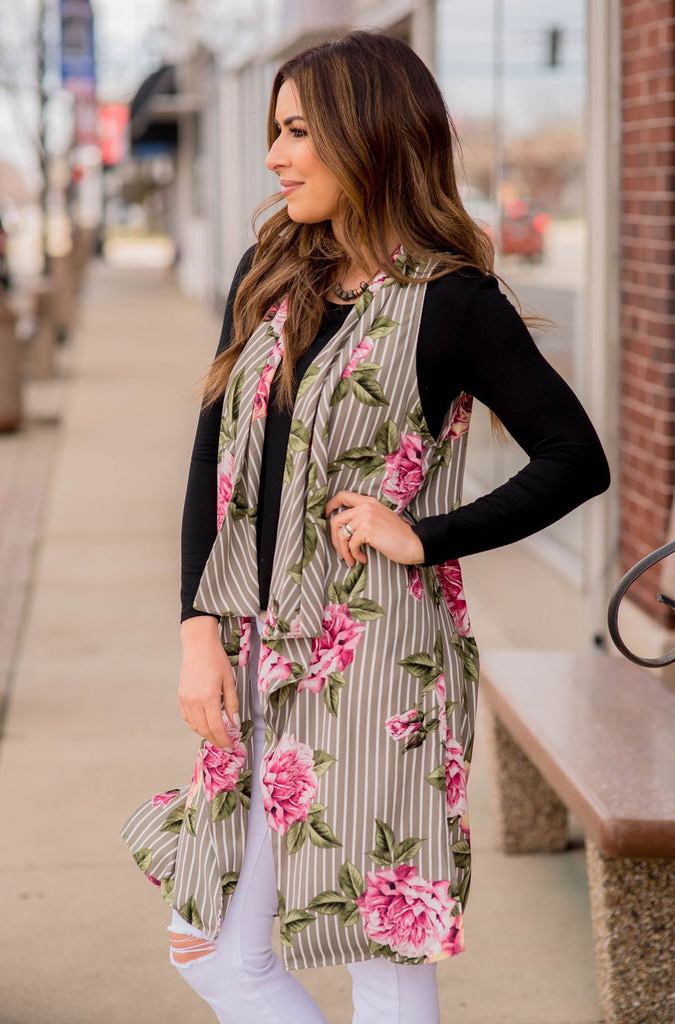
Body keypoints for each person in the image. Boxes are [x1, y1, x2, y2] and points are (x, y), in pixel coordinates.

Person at [122, 30, 610, 1024]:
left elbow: (576, 457)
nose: (275, 155)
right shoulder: (269, 278)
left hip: (383, 661)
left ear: (367, 135)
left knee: (378, 946)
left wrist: (426, 535)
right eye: (273, 131)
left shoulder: (452, 303)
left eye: (297, 130)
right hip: (259, 650)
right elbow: (212, 466)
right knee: (209, 939)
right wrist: (196, 633)